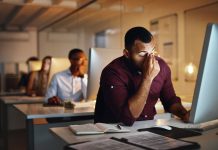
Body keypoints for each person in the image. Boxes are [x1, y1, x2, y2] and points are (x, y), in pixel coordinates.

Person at [94, 26, 189, 126]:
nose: (150, 60)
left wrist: (184, 114)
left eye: (152, 52)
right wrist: (147, 78)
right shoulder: (112, 72)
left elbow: (170, 100)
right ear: (126, 54)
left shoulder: (162, 67)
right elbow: (127, 118)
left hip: (147, 128)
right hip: (114, 131)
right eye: (142, 54)